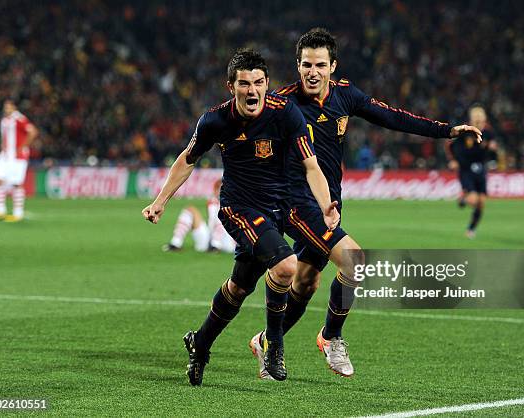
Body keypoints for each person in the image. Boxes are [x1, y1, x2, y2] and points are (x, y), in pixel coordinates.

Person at [249, 28, 482, 378]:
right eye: (306, 64)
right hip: (296, 205)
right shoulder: (282, 105)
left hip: (329, 204)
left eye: (320, 65)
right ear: (297, 66)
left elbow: (394, 117)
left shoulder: (346, 96)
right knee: (354, 261)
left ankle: (267, 340)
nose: (313, 71)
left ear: (333, 66)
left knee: (306, 282)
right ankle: (331, 337)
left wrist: (447, 130)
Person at [142, 49, 339, 385]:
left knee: (238, 287)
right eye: (244, 83)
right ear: (230, 85)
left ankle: (200, 343)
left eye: (259, 83)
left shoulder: (286, 113)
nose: (252, 91)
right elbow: (188, 160)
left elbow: (310, 165)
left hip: (277, 210)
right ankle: (273, 344)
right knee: (287, 266)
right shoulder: (215, 120)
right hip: (238, 208)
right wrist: (161, 200)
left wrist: (325, 204)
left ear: (266, 84)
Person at [445, 105, 497, 239]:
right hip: (466, 168)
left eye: (481, 118)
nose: (479, 121)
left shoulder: (489, 133)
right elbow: (450, 145)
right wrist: (454, 160)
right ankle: (464, 198)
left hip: (480, 169)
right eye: (476, 118)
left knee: (481, 203)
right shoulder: (466, 131)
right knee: (474, 200)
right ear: (472, 119)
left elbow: (491, 150)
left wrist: (492, 152)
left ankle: (471, 228)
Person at [0, 100, 38, 222]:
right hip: (5, 155)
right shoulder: (5, 120)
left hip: (17, 156)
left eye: (9, 107)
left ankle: (17, 214)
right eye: (6, 107)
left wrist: (22, 147)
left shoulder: (20, 119)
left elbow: (33, 132)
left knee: (16, 183)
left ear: (14, 107)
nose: (7, 109)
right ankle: (0, 212)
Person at [162, 180, 236, 254]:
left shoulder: (235, 202)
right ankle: (176, 243)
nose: (220, 191)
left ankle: (215, 246)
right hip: (210, 237)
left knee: (221, 214)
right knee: (190, 210)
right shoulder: (213, 202)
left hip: (229, 241)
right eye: (218, 188)